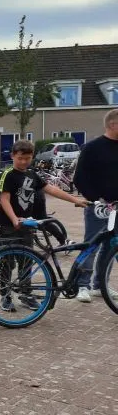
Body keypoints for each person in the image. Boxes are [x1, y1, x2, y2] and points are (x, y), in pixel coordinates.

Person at [0, 140, 87, 311]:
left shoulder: (31, 175)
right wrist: (15, 219)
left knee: (27, 261)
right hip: (8, 225)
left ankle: (26, 294)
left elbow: (51, 189)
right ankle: (5, 295)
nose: (24, 161)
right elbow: (4, 199)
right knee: (7, 262)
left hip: (27, 225)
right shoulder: (7, 175)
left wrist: (75, 200)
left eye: (28, 158)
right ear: (13, 156)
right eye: (20, 158)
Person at [73, 108, 118, 302]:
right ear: (113, 125)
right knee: (92, 244)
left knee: (111, 246)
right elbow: (79, 178)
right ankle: (82, 285)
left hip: (117, 207)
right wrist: (96, 199)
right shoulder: (92, 148)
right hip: (99, 206)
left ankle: (100, 285)